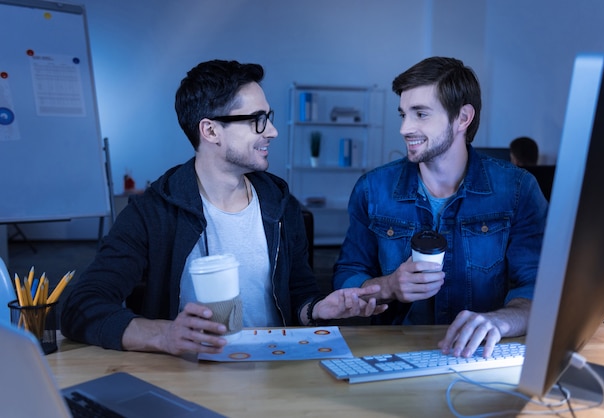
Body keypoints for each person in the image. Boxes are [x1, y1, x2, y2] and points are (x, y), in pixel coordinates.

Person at [61, 60, 387, 357]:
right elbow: (81, 306)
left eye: (268, 118)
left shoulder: (281, 205)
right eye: (257, 121)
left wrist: (317, 309)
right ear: (211, 130)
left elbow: (300, 294)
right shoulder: (151, 213)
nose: (271, 131)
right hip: (187, 374)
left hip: (275, 369)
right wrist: (163, 335)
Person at [333, 57, 548, 358]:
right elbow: (347, 274)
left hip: (481, 357)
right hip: (395, 355)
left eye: (420, 114)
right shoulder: (372, 189)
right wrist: (389, 286)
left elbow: (540, 287)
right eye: (403, 115)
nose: (405, 128)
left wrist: (500, 321)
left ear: (462, 118)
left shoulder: (517, 190)